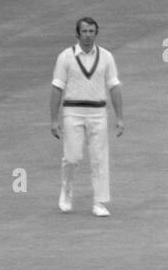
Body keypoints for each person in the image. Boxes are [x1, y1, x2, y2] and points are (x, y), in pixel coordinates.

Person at [50, 17, 124, 217]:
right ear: (77, 34)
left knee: (99, 158)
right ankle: (66, 190)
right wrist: (54, 120)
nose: (88, 35)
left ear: (96, 33)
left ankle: (99, 202)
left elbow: (114, 87)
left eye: (92, 31)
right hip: (72, 112)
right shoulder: (65, 57)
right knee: (72, 157)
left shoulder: (106, 56)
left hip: (98, 112)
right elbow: (57, 88)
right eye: (84, 31)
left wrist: (119, 117)